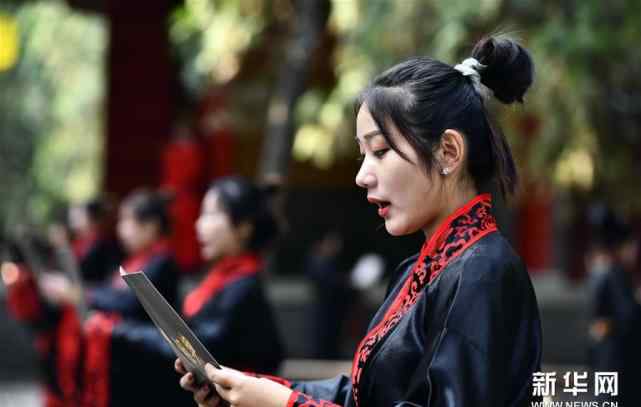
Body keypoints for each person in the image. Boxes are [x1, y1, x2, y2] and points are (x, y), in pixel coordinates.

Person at [177, 34, 543, 407]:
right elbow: (361, 395)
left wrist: (284, 405)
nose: (362, 175)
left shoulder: (483, 272)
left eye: (381, 151)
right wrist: (246, 388)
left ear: (449, 152)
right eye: (362, 154)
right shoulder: (418, 270)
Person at [84, 176, 285, 406]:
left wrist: (117, 328)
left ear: (243, 228)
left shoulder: (243, 287)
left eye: (210, 214)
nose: (199, 225)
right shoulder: (220, 280)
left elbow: (196, 347)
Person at [586, 204, 641, 405]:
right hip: (619, 361)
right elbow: (629, 316)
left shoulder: (599, 271)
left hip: (605, 357)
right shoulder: (615, 274)